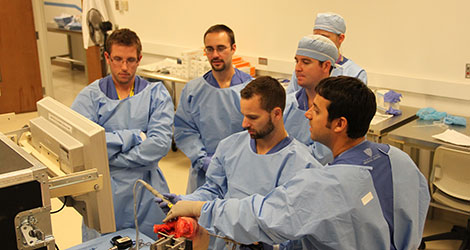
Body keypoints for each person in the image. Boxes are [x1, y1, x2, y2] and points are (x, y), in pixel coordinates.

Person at [164, 76, 430, 250]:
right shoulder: (400, 161)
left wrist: (201, 208)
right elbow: (416, 209)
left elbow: (262, 216)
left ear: (339, 124)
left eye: (316, 109)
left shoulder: (324, 182)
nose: (307, 113)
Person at [160, 76, 321, 250]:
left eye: (252, 117)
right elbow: (215, 189)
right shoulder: (231, 146)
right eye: (243, 115)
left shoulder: (301, 165)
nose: (244, 124)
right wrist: (187, 202)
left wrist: (273, 245)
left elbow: (296, 227)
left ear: (276, 114)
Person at [71, 28, 173, 241]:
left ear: (139, 59)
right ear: (107, 57)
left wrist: (111, 156)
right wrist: (135, 136)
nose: (124, 67)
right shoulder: (90, 97)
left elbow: (160, 144)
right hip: (106, 190)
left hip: (147, 188)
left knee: (149, 241)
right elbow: (85, 145)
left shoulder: (156, 94)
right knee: (103, 242)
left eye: (131, 60)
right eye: (118, 59)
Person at [174, 24, 252, 194]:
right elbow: (184, 130)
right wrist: (202, 159)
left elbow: (258, 131)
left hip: (242, 172)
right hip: (204, 174)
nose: (215, 55)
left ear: (233, 49)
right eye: (210, 49)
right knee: (201, 217)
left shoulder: (251, 89)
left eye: (221, 48)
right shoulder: (193, 91)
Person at [283, 34, 336, 165]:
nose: (297, 68)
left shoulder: (338, 109)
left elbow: (322, 157)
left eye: (306, 62)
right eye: (297, 61)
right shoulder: (288, 103)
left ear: (326, 66)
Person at [287, 12, 368, 94]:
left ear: (340, 38)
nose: (318, 41)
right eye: (315, 36)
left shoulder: (355, 73)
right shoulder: (302, 69)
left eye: (324, 37)